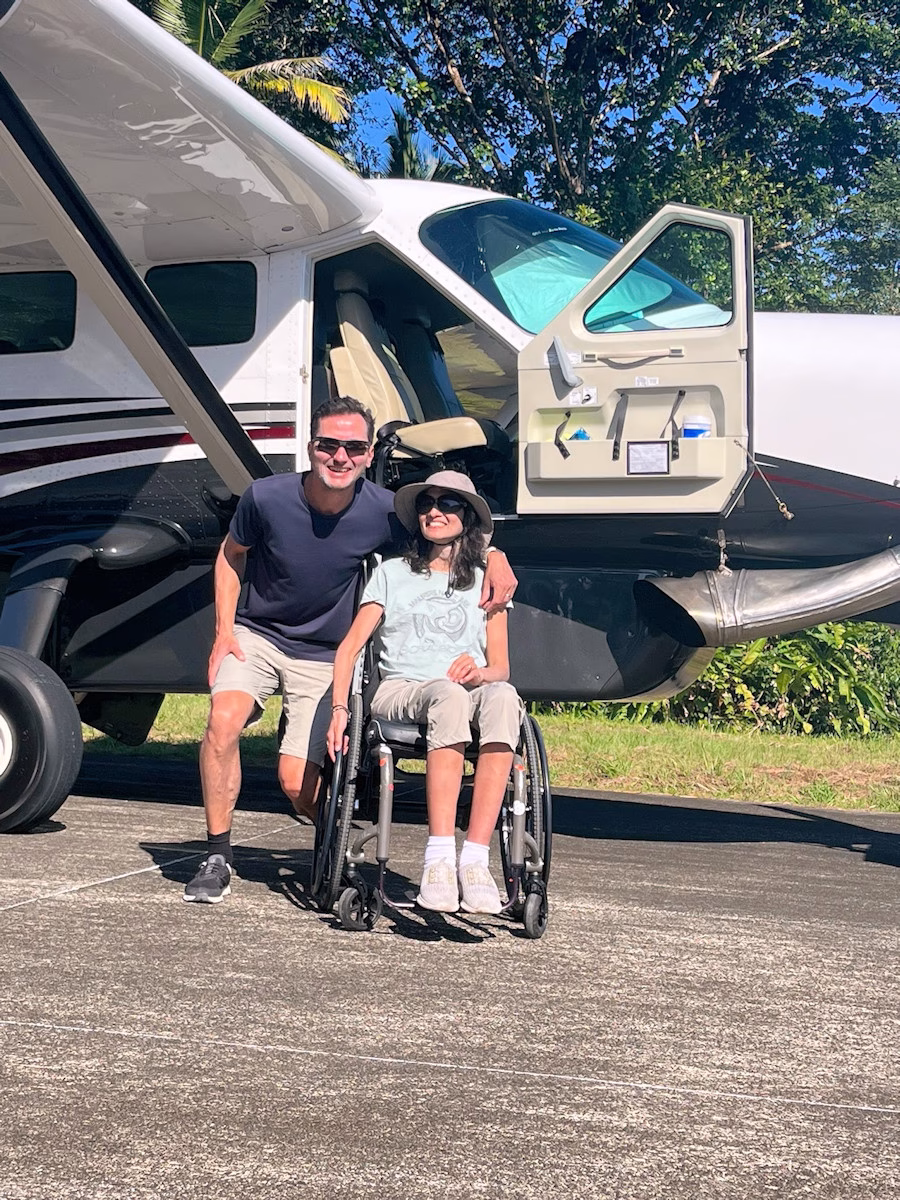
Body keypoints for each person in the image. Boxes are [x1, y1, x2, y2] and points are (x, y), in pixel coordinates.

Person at [183, 398, 517, 903]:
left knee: (296, 783)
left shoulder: (385, 509)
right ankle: (216, 855)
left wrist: (497, 555)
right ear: (311, 446)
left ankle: (340, 840)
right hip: (258, 635)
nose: (340, 456)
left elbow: (450, 526)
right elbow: (231, 556)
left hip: (324, 652)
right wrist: (224, 630)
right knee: (222, 721)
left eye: (354, 447)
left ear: (366, 455)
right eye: (329, 445)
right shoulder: (265, 497)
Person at [327, 470, 523, 916]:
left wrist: (479, 672)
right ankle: (438, 859)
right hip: (402, 689)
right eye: (427, 503)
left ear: (468, 516)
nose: (434, 510)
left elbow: (501, 666)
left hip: (463, 691)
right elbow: (349, 650)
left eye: (448, 504)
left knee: (505, 695)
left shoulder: (486, 580)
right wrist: (340, 707)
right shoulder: (392, 573)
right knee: (446, 694)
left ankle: (474, 859)